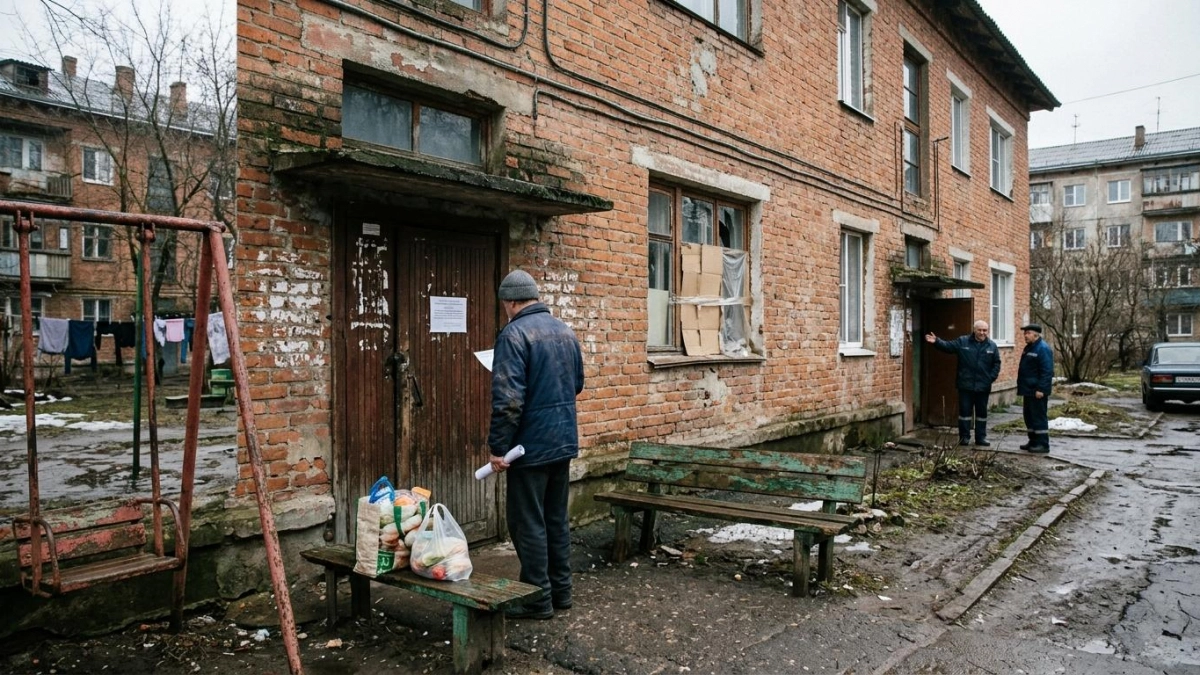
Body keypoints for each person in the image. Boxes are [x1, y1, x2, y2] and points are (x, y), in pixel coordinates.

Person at [486, 269, 585, 620]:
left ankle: (537, 599)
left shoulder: (513, 335)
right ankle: (562, 592)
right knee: (555, 519)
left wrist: (498, 448)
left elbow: (508, 401)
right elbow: (577, 384)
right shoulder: (565, 331)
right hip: (563, 441)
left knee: (527, 523)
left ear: (510, 302)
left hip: (528, 447)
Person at [924, 320, 1002, 446]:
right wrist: (937, 341)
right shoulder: (963, 341)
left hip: (983, 386)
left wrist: (990, 378)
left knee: (981, 414)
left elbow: (996, 364)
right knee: (965, 413)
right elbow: (948, 346)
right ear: (974, 330)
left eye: (985, 330)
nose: (982, 333)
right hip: (966, 385)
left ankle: (980, 438)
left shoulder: (992, 346)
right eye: (980, 330)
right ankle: (964, 438)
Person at [1017, 323, 1054, 453]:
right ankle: (1033, 441)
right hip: (1028, 389)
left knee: (1038, 417)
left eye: (1028, 333)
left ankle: (1043, 444)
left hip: (1037, 390)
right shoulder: (1030, 347)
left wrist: (1041, 389)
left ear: (1036, 335)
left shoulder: (1042, 348)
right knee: (1029, 417)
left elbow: (1047, 371)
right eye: (1025, 333)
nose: (1025, 336)